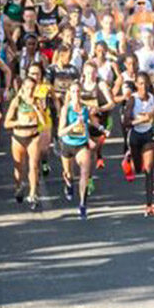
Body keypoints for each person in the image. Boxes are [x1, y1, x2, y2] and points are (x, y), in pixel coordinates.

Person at [3, 76, 43, 210]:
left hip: (33, 136)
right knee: (19, 167)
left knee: (33, 165)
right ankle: (19, 186)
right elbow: (6, 123)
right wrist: (19, 122)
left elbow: (43, 121)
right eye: (27, 88)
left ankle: (33, 194)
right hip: (18, 136)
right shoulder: (17, 101)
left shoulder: (38, 101)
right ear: (23, 88)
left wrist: (36, 109)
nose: (30, 91)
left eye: (32, 89)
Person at [124, 73, 154, 216]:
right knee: (137, 168)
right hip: (135, 136)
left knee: (149, 169)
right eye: (140, 84)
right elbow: (126, 123)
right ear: (136, 85)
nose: (142, 87)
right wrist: (141, 120)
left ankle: (149, 205)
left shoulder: (152, 98)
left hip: (148, 135)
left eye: (145, 84)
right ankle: (128, 161)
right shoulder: (133, 100)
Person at [57, 85, 93, 219]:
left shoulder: (85, 108)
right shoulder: (66, 109)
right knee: (68, 173)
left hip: (81, 145)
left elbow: (87, 125)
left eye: (78, 91)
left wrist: (89, 139)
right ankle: (69, 184)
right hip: (67, 144)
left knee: (84, 172)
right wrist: (74, 125)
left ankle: (83, 204)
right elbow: (60, 132)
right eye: (73, 91)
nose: (76, 94)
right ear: (69, 94)